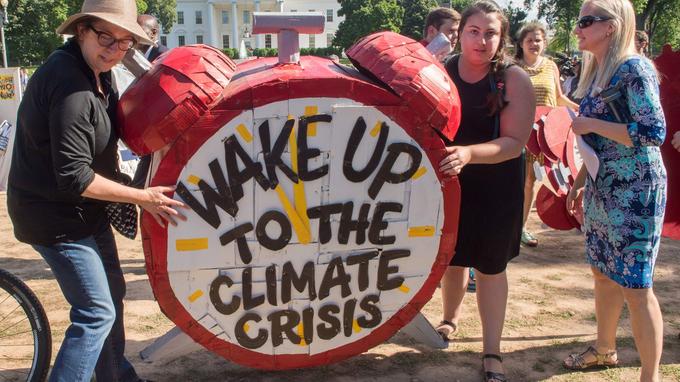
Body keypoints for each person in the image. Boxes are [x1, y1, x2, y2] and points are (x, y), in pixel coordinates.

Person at [6, 0, 187, 380]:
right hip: (54, 215)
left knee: (113, 292)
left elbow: (120, 133)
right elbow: (74, 175)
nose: (114, 49)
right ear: (82, 30)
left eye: (124, 42)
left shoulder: (98, 73)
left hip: (86, 210)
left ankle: (113, 375)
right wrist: (144, 198)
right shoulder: (68, 81)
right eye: (106, 36)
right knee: (95, 311)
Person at [563, 1, 666, 381]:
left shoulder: (634, 69)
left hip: (636, 192)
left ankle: (649, 376)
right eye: (579, 21)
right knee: (602, 272)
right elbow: (594, 140)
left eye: (586, 22)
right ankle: (604, 350)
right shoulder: (598, 71)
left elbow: (652, 133)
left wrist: (590, 122)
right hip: (602, 187)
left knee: (637, 287)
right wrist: (578, 183)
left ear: (611, 26)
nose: (578, 29)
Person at [436, 2, 535, 381]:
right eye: (474, 31)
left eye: (490, 33)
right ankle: (449, 320)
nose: (481, 40)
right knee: (453, 258)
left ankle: (492, 352)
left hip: (497, 184)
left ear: (502, 38)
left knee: (490, 267)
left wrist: (468, 154)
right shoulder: (442, 70)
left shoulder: (513, 78)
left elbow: (514, 142)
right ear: (461, 33)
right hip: (451, 180)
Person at [514, 22, 579, 247]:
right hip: (517, 132)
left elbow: (559, 97)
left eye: (538, 40)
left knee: (530, 181)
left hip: (542, 136)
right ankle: (506, 227)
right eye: (529, 40)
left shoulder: (551, 66)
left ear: (544, 43)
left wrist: (578, 110)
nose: (534, 44)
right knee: (513, 180)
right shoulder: (513, 68)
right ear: (521, 43)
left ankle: (520, 229)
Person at [130, 14, 169, 188]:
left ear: (153, 33)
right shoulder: (134, 56)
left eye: (139, 31)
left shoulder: (163, 56)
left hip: (161, 131)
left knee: (141, 182)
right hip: (148, 130)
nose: (133, 35)